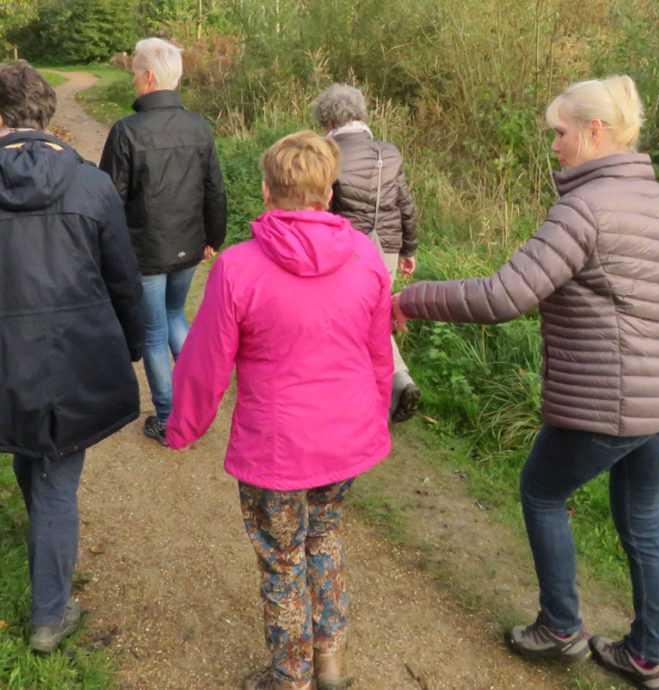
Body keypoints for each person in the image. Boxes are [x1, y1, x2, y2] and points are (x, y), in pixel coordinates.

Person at [392, 75, 659, 690]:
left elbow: (503, 295)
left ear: (594, 131)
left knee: (541, 491)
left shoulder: (583, 210)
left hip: (605, 408)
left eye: (560, 133)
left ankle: (560, 628)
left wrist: (412, 298)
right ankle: (647, 655)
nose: (554, 145)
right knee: (643, 522)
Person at [166, 131, 393, 690]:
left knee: (283, 558)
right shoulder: (365, 255)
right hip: (344, 439)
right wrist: (375, 415)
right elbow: (378, 352)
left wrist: (183, 427)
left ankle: (290, 675)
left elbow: (205, 362)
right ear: (329, 191)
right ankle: (331, 663)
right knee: (327, 538)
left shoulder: (238, 267)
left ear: (267, 190)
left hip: (278, 449)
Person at [0, 61, 144, 653]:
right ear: (46, 115)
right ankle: (49, 616)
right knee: (55, 474)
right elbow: (124, 281)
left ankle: (48, 599)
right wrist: (131, 346)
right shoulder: (91, 184)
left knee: (33, 456)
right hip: (71, 363)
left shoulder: (93, 184)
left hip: (7, 363)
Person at [100, 37, 227, 447]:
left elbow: (107, 199)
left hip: (146, 253)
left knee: (155, 331)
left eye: (135, 72)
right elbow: (215, 190)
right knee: (175, 316)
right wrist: (214, 236)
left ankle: (170, 416)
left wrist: (106, 251)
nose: (133, 79)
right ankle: (197, 406)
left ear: (149, 76)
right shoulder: (200, 125)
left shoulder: (126, 131)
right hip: (188, 246)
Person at [312, 83, 420, 424]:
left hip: (345, 249)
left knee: (345, 325)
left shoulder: (326, 152)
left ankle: (356, 396)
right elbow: (405, 203)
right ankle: (398, 381)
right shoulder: (388, 152)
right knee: (376, 320)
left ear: (327, 120)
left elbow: (323, 209)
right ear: (359, 114)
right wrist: (408, 249)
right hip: (386, 250)